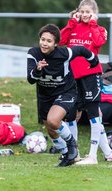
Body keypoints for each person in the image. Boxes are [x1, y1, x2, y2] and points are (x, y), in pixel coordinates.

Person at [60, 0, 112, 164]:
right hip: (72, 77)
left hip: (90, 76)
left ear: (94, 14)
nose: (84, 15)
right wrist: (71, 23)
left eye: (88, 12)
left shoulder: (99, 29)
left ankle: (92, 156)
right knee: (72, 115)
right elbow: (60, 41)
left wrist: (92, 24)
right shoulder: (73, 26)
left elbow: (98, 42)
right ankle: (76, 153)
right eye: (82, 11)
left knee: (93, 113)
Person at [27, 23, 99, 167]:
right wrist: (38, 70)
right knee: (51, 129)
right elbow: (30, 79)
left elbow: (81, 50)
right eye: (43, 39)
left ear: (56, 44)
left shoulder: (64, 54)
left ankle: (72, 146)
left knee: (53, 121)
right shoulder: (33, 53)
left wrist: (93, 60)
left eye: (49, 41)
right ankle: (67, 154)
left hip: (65, 92)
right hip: (45, 95)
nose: (44, 43)